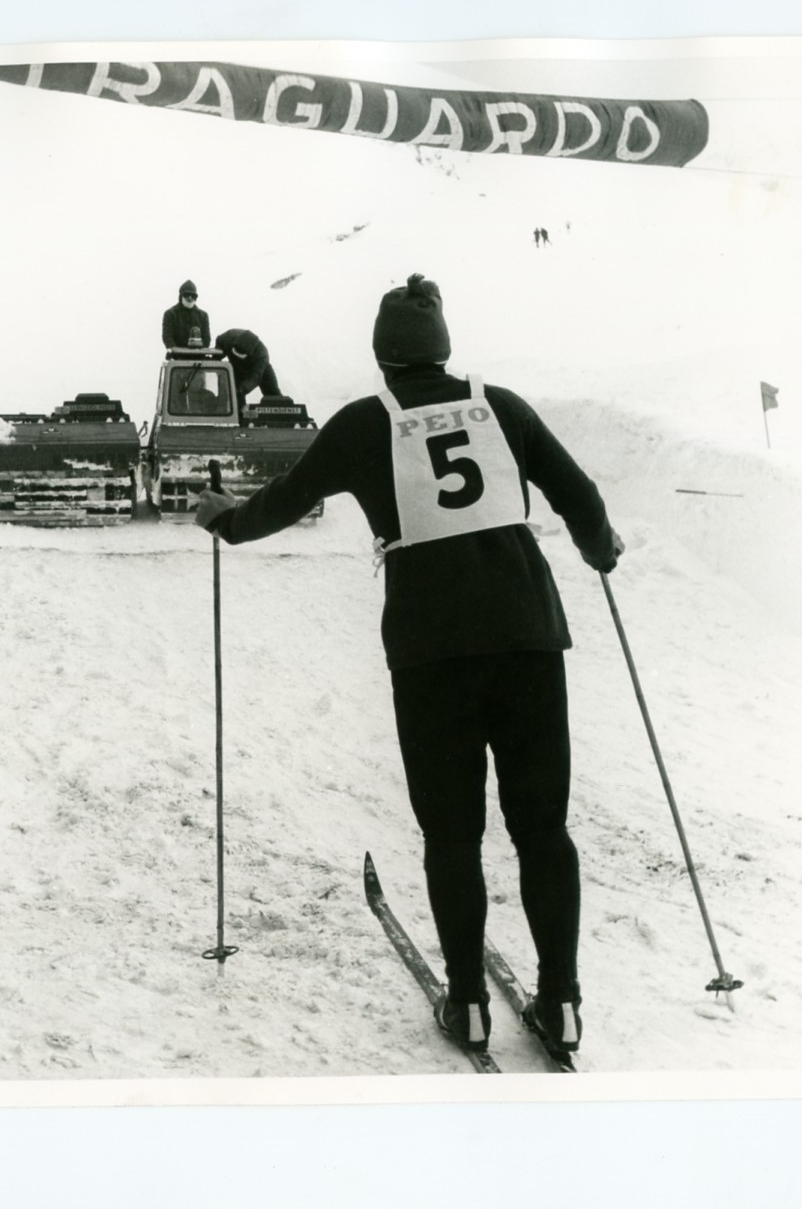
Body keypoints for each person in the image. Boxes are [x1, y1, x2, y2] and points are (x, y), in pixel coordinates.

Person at [195, 273, 623, 1058]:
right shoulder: (504, 406)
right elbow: (580, 497)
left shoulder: (368, 423)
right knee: (542, 827)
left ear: (384, 357)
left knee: (452, 832)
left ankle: (465, 1002)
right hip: (530, 639)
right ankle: (560, 1002)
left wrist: (227, 521)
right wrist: (603, 549)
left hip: (431, 654)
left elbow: (282, 501)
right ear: (444, 347)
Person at [212, 327, 284, 411]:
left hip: (259, 370)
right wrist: (216, 358)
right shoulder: (227, 338)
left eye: (241, 355)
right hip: (235, 367)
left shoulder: (261, 356)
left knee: (273, 394)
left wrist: (242, 389)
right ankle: (239, 416)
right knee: (235, 398)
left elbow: (255, 377)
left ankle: (278, 416)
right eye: (235, 353)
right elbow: (219, 345)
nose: (238, 356)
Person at [162, 280, 211, 350]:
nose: (190, 298)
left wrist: (198, 352)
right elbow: (167, 338)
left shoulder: (203, 316)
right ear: (181, 296)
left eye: (193, 296)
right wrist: (177, 352)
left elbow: (206, 339)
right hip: (176, 356)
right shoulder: (170, 314)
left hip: (198, 356)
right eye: (187, 295)